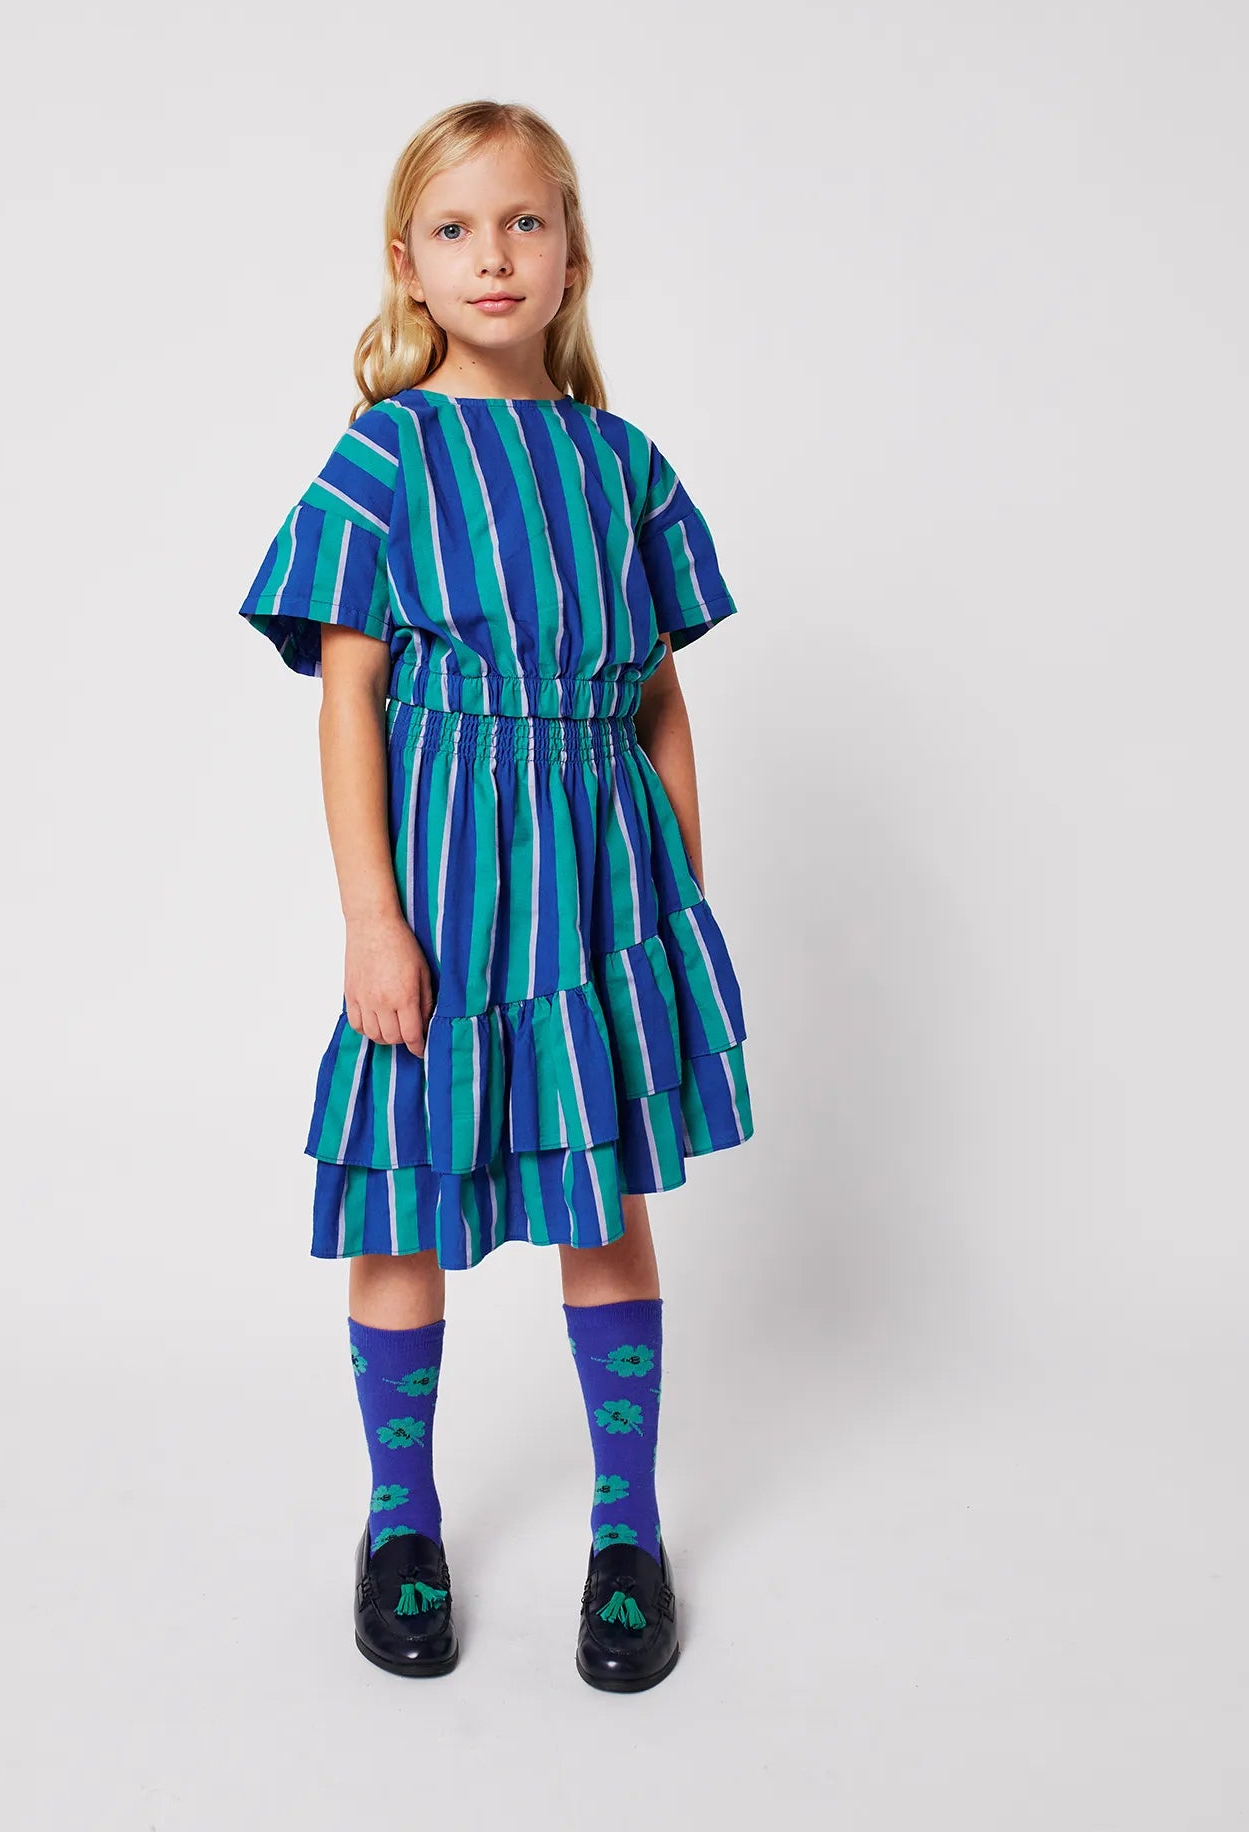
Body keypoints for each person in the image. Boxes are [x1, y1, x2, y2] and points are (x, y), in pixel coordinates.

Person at [237, 99, 753, 1693]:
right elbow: (347, 698)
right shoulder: (385, 458)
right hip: (446, 891)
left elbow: (659, 697)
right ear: (407, 264)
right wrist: (370, 918)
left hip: (597, 895)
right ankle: (401, 1518)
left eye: (526, 222)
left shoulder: (623, 466)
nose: (495, 255)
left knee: (606, 1198)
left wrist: (673, 891)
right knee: (402, 1183)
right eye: (456, 229)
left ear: (573, 253)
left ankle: (626, 1529)